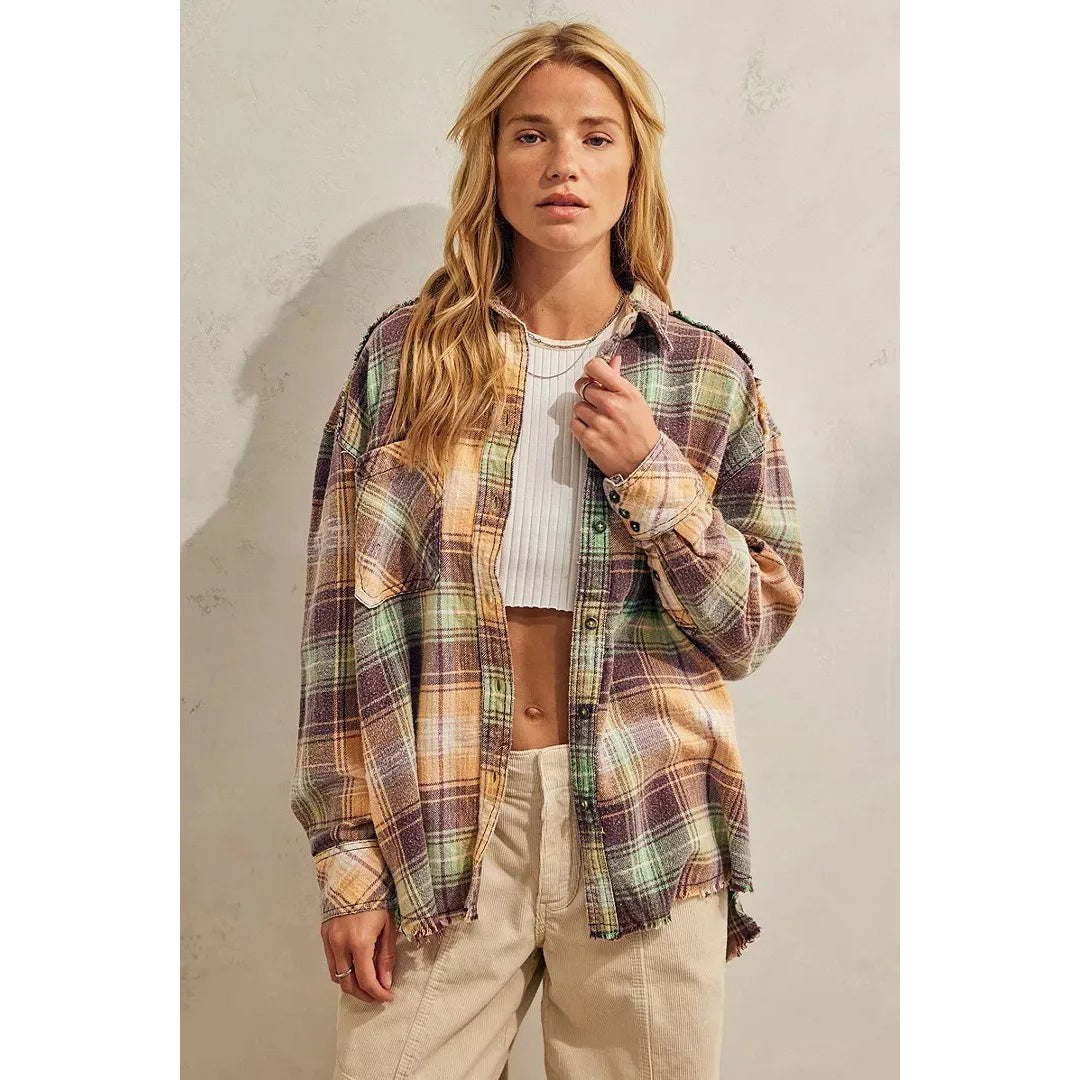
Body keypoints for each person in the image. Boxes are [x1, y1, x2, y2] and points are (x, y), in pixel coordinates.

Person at [291, 19, 805, 1080]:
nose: (563, 163)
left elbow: (753, 626)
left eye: (595, 136)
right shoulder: (403, 363)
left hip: (646, 823)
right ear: (490, 161)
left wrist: (653, 472)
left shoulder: (706, 377)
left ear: (633, 168)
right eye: (530, 134)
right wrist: (347, 858)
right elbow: (337, 633)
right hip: (438, 826)